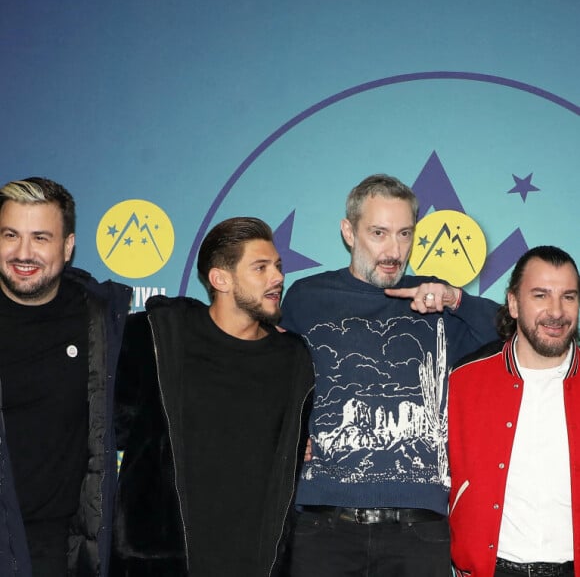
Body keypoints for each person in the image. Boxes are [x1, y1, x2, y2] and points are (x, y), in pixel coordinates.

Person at [281, 174, 499, 576]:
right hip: (323, 525)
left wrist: (455, 298)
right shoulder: (306, 298)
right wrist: (289, 435)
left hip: (418, 530)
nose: (394, 250)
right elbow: (264, 370)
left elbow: (511, 334)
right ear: (349, 232)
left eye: (404, 234)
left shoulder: (436, 303)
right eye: (378, 233)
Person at [111, 217, 314, 577]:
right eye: (261, 267)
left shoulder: (293, 359)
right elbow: (107, 429)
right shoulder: (155, 339)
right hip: (162, 562)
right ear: (221, 279)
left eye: (278, 267)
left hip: (257, 563)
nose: (278, 277)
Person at [0, 177, 132, 577]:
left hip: (53, 550)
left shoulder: (101, 322)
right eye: (10, 235)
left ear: (68, 247)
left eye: (41, 237)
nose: (23, 252)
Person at [448, 245, 580, 577]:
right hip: (491, 569)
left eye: (568, 297)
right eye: (540, 295)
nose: (556, 311)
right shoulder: (463, 382)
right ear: (513, 303)